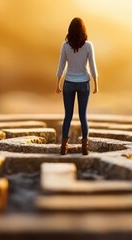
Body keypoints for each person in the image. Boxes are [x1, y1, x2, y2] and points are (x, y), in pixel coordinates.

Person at [55, 17, 99, 155]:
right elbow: (92, 66)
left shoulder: (65, 46)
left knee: (67, 116)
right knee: (83, 116)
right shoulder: (88, 46)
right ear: (83, 30)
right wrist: (96, 84)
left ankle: (64, 147)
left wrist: (58, 83)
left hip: (68, 83)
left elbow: (61, 66)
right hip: (84, 84)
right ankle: (85, 147)